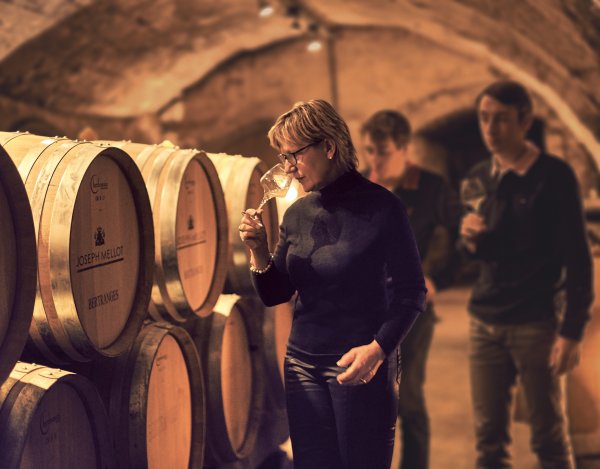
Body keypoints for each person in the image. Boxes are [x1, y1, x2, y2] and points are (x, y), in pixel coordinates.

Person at [239, 99, 426, 469]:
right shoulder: (297, 213)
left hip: (359, 366)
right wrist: (258, 251)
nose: (289, 168)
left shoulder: (382, 208)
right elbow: (276, 292)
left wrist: (377, 351)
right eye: (283, 158)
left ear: (328, 146)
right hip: (301, 365)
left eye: (294, 155)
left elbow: (412, 292)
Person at [460, 80, 593, 468]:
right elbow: (474, 255)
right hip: (484, 321)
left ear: (525, 120)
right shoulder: (478, 176)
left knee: (548, 438)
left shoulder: (554, 177)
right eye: (484, 119)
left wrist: (571, 331)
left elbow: (578, 259)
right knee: (488, 440)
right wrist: (468, 240)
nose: (490, 129)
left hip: (536, 323)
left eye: (500, 119)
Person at [360, 110, 461, 469]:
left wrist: (436, 278)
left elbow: (462, 240)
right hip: (366, 310)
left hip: (412, 309)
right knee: (366, 398)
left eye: (382, 151)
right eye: (370, 150)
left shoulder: (431, 187)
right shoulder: (361, 188)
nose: (374, 160)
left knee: (409, 399)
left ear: (405, 148)